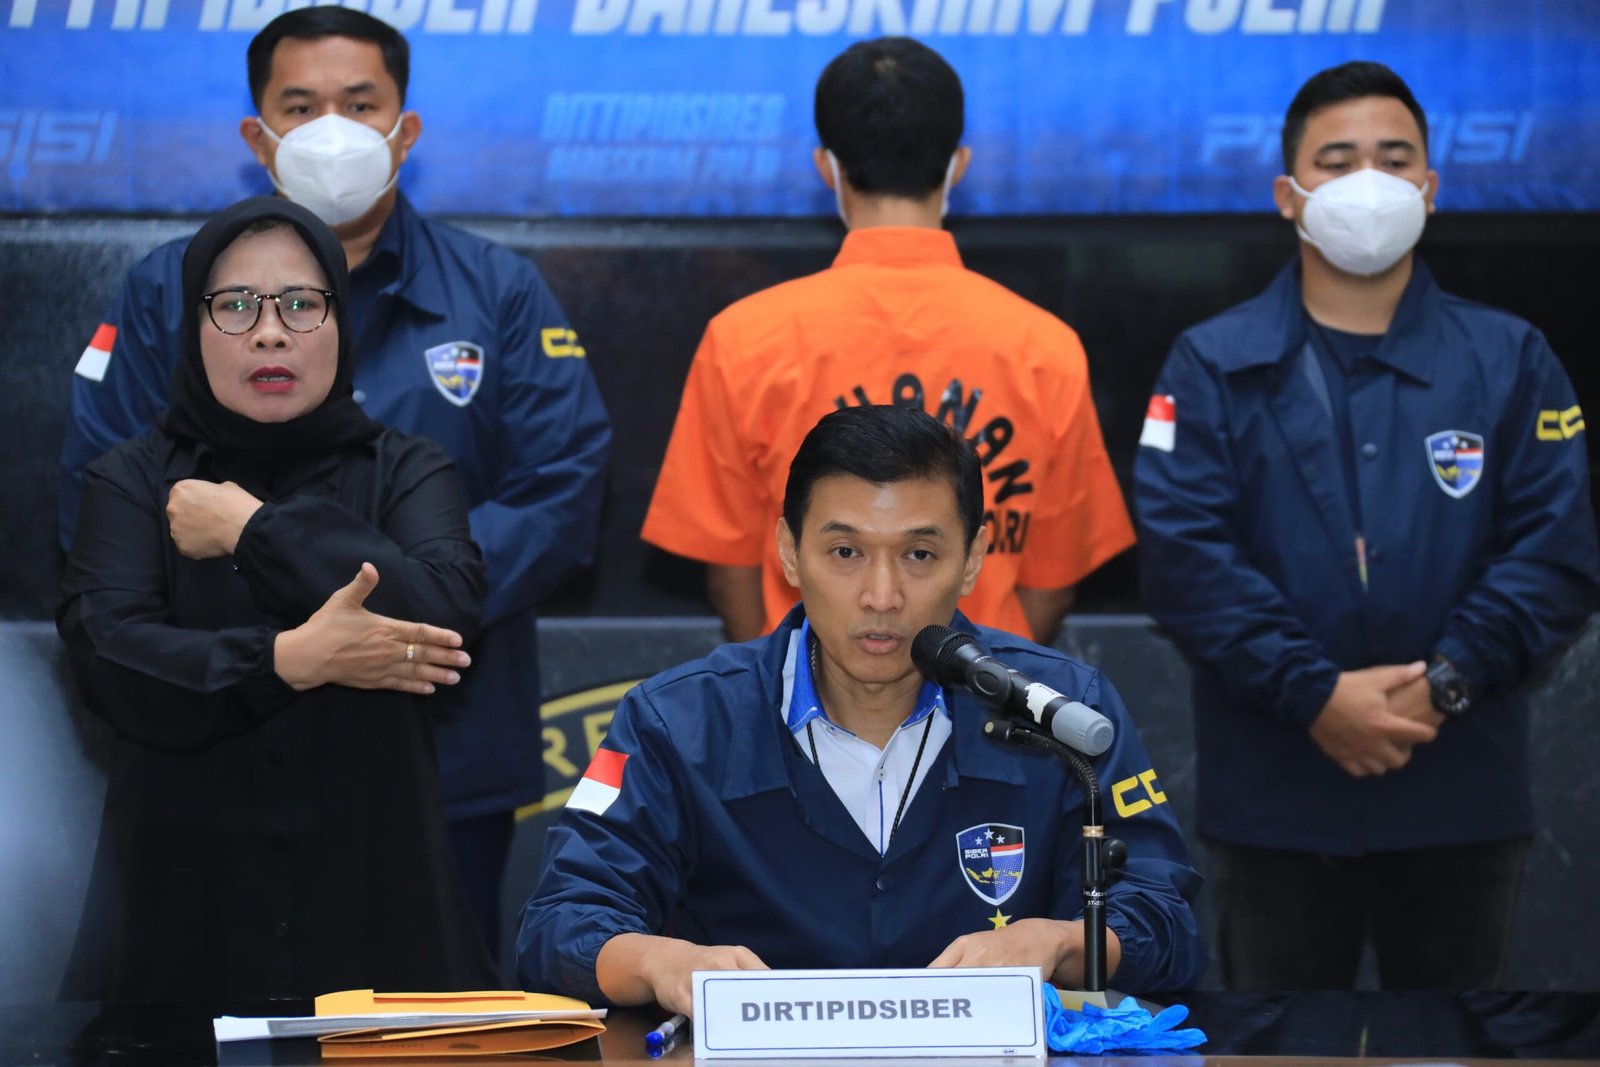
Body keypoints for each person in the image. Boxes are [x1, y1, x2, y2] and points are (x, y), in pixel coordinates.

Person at [57, 6, 612, 954]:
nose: (331, 130)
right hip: (208, 743)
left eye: (359, 105)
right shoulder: (165, 290)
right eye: (300, 105)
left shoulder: (497, 289)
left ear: (405, 127)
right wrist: (281, 641)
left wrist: (398, 622)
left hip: (443, 731)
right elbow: (106, 499)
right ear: (258, 135)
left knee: (430, 1001)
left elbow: (562, 489)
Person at [1132, 62, 1600, 990]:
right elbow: (1185, 559)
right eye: (1337, 161)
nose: (1368, 183)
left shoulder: (1510, 357)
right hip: (1277, 795)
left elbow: (1554, 551)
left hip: (1458, 789)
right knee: (1277, 1045)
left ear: (1429, 186)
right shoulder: (1211, 362)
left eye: (1394, 159)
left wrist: (1447, 683)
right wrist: (1313, 693)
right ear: (1289, 194)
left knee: (1457, 1043)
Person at [521, 406, 1204, 1013]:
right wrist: (661, 962)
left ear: (973, 559)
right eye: (845, 552)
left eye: (919, 554)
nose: (882, 595)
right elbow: (558, 926)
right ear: (790, 552)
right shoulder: (678, 721)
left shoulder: (1061, 712)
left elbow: (1167, 924)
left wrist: (1058, 943)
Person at [57, 197, 498, 1000]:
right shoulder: (130, 480)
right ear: (194, 326)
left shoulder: (408, 469)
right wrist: (288, 660)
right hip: (178, 913)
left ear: (340, 321)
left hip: (374, 909)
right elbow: (111, 658)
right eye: (235, 306)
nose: (269, 333)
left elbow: (439, 618)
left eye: (300, 303)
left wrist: (252, 530)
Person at [641, 37, 1131, 647]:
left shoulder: (744, 339)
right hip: (979, 687)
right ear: (959, 165)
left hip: (805, 687)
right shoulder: (1046, 347)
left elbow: (730, 570)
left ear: (826, 167)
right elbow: (1052, 582)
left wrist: (780, 682)